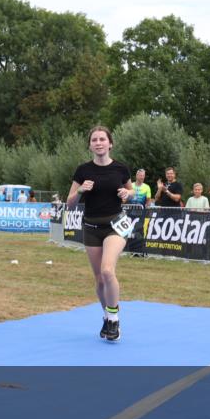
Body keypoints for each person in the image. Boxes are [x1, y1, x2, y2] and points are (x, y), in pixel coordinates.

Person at [65, 125, 133, 342]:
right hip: (91, 227)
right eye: (94, 140)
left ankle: (114, 319)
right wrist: (80, 191)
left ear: (110, 143)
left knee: (107, 271)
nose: (98, 143)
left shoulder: (120, 168)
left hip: (115, 225)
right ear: (90, 145)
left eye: (102, 139)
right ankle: (106, 315)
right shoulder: (83, 170)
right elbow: (69, 203)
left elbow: (132, 191)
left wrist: (128, 193)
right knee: (99, 280)